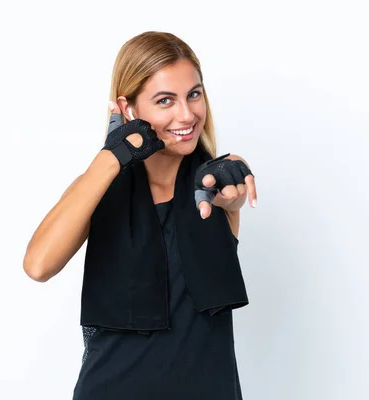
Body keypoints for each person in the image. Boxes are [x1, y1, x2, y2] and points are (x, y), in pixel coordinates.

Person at [23, 31, 258, 399]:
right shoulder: (97, 188)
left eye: (194, 94)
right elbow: (38, 266)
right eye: (165, 100)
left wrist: (235, 179)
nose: (187, 114)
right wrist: (110, 157)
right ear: (129, 108)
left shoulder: (213, 186)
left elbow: (231, 195)